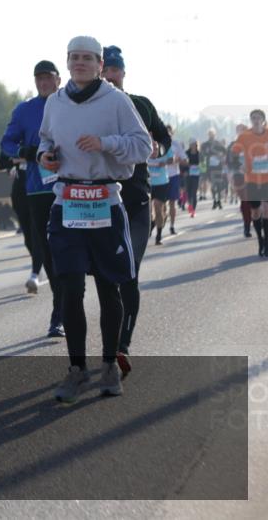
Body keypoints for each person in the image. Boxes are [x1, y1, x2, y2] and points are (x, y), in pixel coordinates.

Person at [37, 36, 150, 404]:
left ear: (100, 65)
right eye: (75, 57)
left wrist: (105, 143)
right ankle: (76, 369)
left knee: (108, 288)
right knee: (70, 288)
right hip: (67, 202)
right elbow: (44, 141)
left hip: (105, 201)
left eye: (88, 58)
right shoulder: (55, 102)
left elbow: (143, 146)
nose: (80, 63)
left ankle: (110, 364)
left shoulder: (117, 101)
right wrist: (45, 157)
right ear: (67, 62)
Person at [100, 45, 171, 379]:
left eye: (115, 70)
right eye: (106, 71)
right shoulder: (90, 109)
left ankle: (122, 347)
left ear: (123, 74)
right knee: (105, 279)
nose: (110, 76)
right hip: (101, 205)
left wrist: (159, 146)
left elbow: (164, 136)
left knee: (129, 272)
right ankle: (108, 346)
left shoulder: (141, 104)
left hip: (137, 203)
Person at [0, 60, 65, 336]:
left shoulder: (72, 104)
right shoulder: (24, 110)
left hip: (71, 186)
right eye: (39, 78)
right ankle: (59, 311)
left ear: (58, 79)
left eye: (48, 78)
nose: (43, 83)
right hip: (38, 189)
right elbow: (6, 143)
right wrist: (26, 151)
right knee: (47, 249)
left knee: (71, 248)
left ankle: (68, 303)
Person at [0, 150, 43, 294]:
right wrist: (16, 161)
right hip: (20, 193)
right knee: (28, 239)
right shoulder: (12, 141)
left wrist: (27, 158)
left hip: (38, 189)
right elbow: (1, 163)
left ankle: (35, 274)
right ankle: (41, 264)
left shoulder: (38, 138)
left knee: (37, 236)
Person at [231, 109, 268, 257]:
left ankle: (267, 244)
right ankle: (260, 240)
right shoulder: (244, 136)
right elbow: (233, 154)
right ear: (251, 120)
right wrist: (240, 165)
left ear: (263, 120)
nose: (256, 120)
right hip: (252, 179)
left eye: (258, 118)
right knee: (256, 211)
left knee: (267, 209)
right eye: (253, 118)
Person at [147, 137, 172, 245]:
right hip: (148, 183)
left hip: (161, 183)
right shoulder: (146, 142)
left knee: (158, 208)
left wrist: (164, 162)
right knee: (148, 211)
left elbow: (171, 159)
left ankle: (158, 235)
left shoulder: (165, 145)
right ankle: (152, 225)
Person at [228, 123, 252, 237]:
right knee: (245, 201)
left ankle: (257, 220)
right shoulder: (233, 145)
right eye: (239, 131)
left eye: (244, 130)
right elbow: (229, 161)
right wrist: (239, 167)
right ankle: (247, 225)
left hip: (254, 176)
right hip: (239, 176)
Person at [165, 124, 186, 235]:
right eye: (166, 131)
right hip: (160, 178)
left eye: (169, 132)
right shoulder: (158, 143)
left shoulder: (176, 144)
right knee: (161, 204)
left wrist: (176, 160)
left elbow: (185, 160)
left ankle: (172, 226)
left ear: (172, 133)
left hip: (173, 176)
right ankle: (162, 221)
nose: (168, 134)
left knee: (172, 203)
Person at [201, 129, 228, 210]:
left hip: (218, 167)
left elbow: (225, 152)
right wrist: (206, 157)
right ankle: (214, 201)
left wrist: (221, 156)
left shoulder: (218, 143)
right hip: (209, 167)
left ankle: (219, 200)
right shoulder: (205, 145)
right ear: (208, 135)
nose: (211, 135)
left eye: (212, 134)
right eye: (210, 134)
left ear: (215, 135)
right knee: (213, 185)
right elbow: (202, 155)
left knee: (218, 184)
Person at [185, 139, 201, 216]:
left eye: (194, 144)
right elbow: (183, 163)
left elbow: (203, 164)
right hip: (188, 175)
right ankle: (190, 205)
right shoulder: (186, 153)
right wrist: (185, 169)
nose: (193, 145)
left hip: (196, 176)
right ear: (190, 145)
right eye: (192, 144)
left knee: (194, 192)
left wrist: (200, 167)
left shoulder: (199, 153)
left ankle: (193, 210)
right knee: (188, 192)